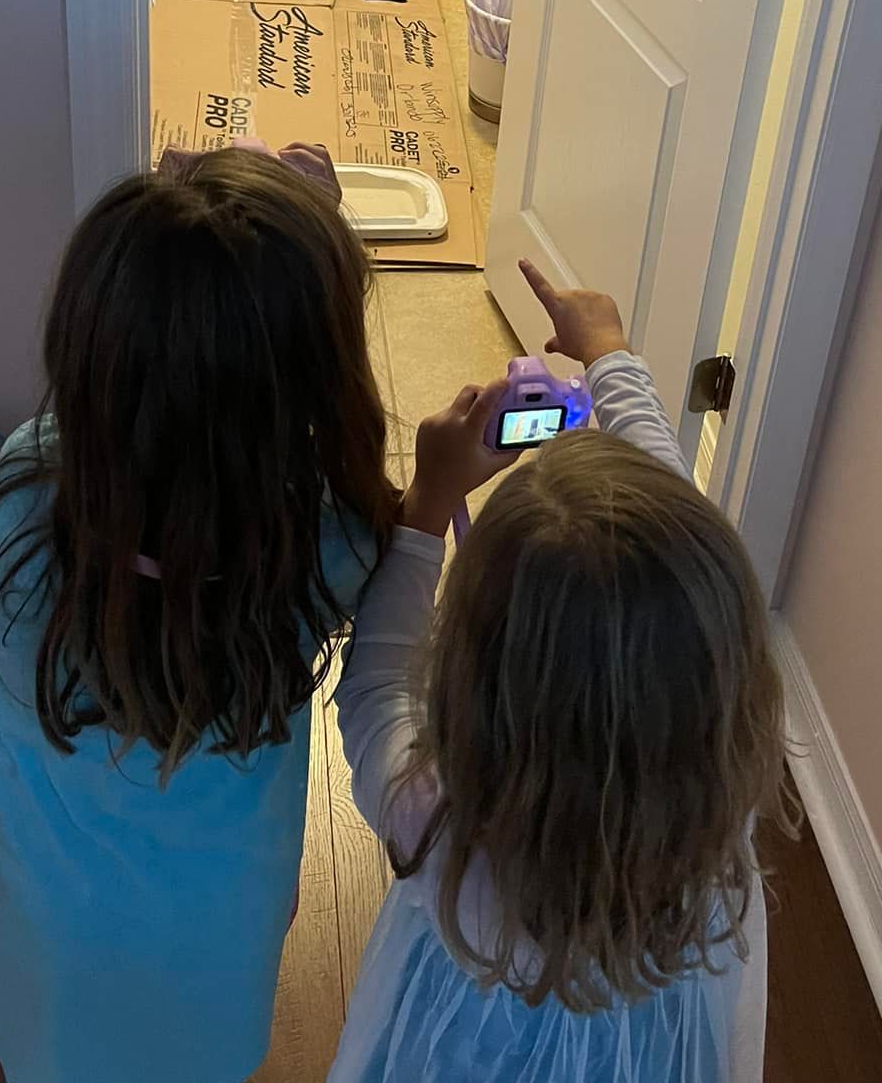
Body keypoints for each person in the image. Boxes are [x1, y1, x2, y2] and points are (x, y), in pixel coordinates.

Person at [0, 147, 400, 1083]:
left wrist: (198, 266)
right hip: (212, 951)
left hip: (39, 923)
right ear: (309, 385)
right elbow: (395, 593)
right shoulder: (328, 548)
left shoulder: (27, 500)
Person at [331, 260, 792, 1083]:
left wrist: (429, 501)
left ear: (472, 674)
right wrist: (611, 359)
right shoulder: (710, 794)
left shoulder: (434, 820)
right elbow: (682, 543)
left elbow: (372, 689)